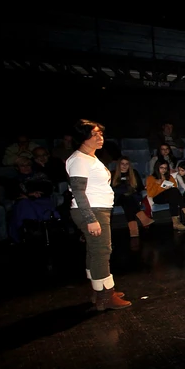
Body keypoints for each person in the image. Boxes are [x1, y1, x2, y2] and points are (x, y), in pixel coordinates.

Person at [66, 119, 130, 311]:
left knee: (95, 251)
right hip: (92, 211)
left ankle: (99, 289)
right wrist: (90, 219)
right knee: (102, 251)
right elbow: (78, 191)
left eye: (100, 134)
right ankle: (105, 296)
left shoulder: (89, 158)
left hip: (97, 209)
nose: (99, 137)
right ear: (83, 137)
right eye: (94, 134)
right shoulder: (79, 160)